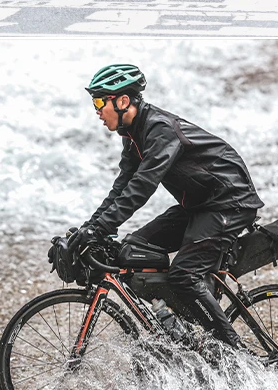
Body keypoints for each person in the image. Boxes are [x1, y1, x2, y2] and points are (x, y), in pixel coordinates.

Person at [69, 63, 264, 351]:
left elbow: (142, 187)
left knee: (184, 274)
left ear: (123, 101)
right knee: (132, 250)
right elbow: (122, 187)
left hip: (229, 202)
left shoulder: (160, 130)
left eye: (100, 101)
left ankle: (235, 353)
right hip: (199, 204)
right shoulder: (133, 134)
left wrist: (100, 226)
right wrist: (91, 227)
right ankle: (179, 327)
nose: (96, 110)